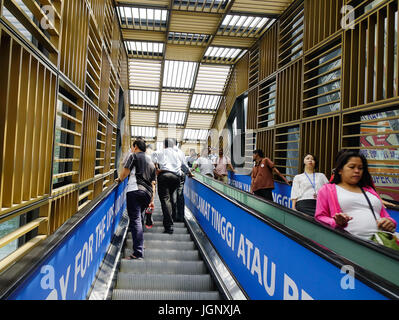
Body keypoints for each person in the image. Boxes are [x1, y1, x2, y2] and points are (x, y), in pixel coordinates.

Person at [315, 150, 397, 241]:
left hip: (378, 243)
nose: (357, 171)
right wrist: (335, 222)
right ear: (340, 170)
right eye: (352, 167)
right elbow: (319, 217)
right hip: (349, 244)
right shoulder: (327, 190)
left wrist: (390, 222)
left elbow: (385, 215)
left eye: (360, 168)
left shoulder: (369, 190)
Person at [115, 139, 156, 260]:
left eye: (133, 147)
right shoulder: (151, 161)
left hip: (135, 190)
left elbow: (126, 171)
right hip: (147, 194)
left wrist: (119, 179)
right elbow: (154, 183)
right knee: (139, 218)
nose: (132, 149)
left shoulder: (134, 156)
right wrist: (152, 200)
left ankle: (138, 252)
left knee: (136, 220)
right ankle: (140, 244)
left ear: (136, 146)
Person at [152, 138, 187, 234]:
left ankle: (169, 225)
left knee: (165, 200)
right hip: (176, 177)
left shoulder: (160, 152)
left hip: (164, 176)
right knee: (171, 198)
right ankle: (173, 216)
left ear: (164, 145)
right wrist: (190, 173)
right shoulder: (178, 153)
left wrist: (157, 169)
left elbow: (153, 161)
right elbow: (184, 166)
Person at [173, 140, 193, 222]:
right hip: (180, 175)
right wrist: (189, 173)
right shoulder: (180, 152)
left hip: (170, 175)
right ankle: (180, 216)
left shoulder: (165, 152)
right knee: (180, 194)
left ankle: (172, 216)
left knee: (171, 195)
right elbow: (184, 164)